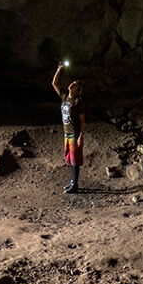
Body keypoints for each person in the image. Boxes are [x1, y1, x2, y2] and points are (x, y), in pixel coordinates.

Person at [52, 62, 85, 194]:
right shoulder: (65, 97)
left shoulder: (78, 102)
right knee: (70, 159)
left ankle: (75, 185)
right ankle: (72, 182)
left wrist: (81, 135)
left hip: (74, 133)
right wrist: (59, 70)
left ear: (78, 90)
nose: (72, 84)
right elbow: (54, 84)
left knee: (75, 160)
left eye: (75, 84)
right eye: (72, 82)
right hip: (67, 133)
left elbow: (82, 120)